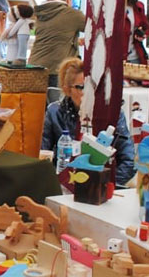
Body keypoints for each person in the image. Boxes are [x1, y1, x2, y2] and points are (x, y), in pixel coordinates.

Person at [41, 57, 136, 187]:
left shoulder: (113, 114)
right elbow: (42, 154)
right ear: (68, 90)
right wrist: (57, 183)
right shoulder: (55, 112)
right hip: (65, 184)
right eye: (82, 87)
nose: (89, 92)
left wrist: (105, 185)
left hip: (103, 188)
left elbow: (129, 160)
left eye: (93, 87)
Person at [29, 0, 86, 98]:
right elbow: (93, 29)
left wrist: (75, 40)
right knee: (57, 107)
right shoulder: (73, 14)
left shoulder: (43, 14)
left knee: (40, 108)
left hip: (35, 66)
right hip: (57, 67)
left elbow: (54, 34)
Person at [125, 0, 149, 64]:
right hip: (117, 57)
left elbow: (146, 28)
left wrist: (141, 33)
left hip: (135, 56)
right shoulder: (110, 8)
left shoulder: (138, 7)